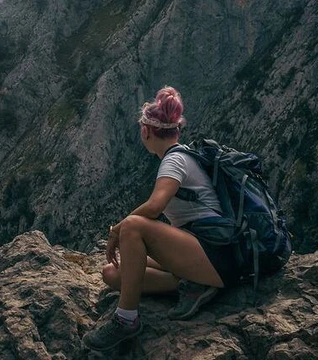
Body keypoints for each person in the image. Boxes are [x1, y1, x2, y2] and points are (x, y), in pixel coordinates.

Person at [83, 86, 244, 350]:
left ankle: (126, 320)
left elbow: (154, 207)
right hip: (210, 253)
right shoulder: (183, 157)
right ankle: (193, 285)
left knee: (134, 226)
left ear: (146, 131)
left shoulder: (174, 161)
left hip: (216, 253)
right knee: (112, 274)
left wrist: (117, 231)